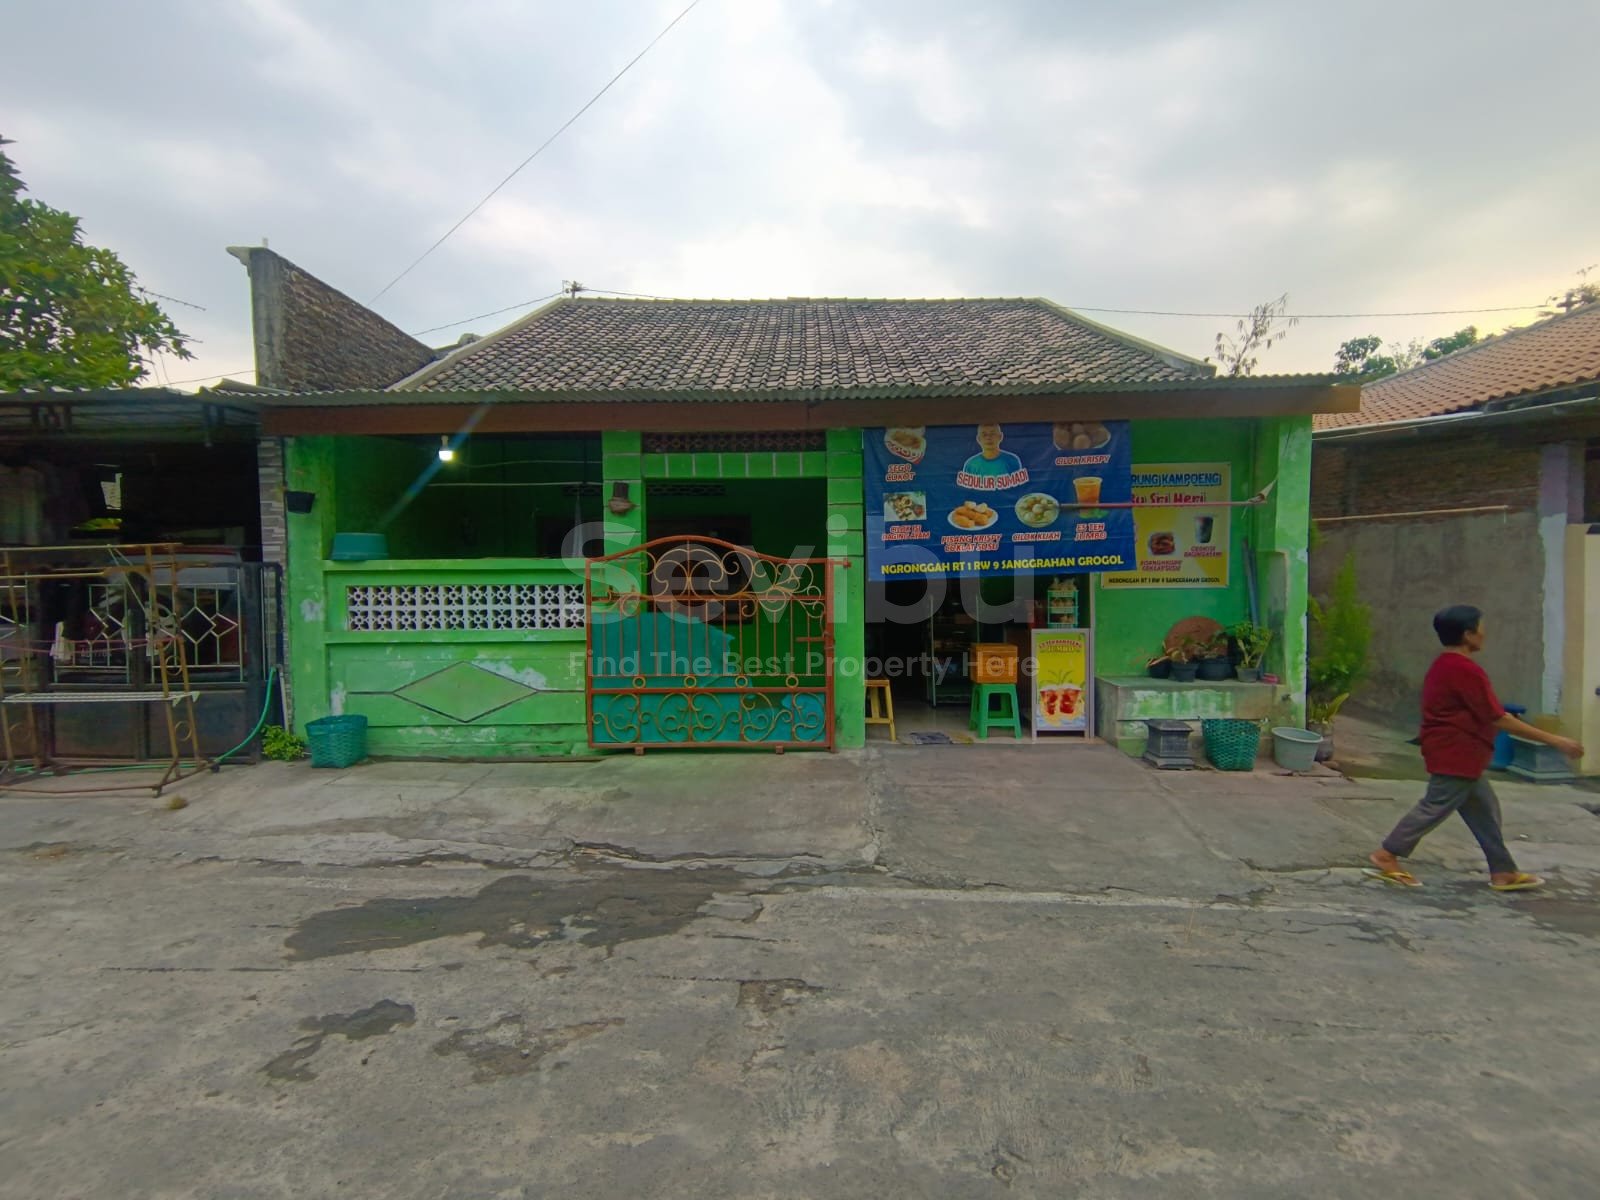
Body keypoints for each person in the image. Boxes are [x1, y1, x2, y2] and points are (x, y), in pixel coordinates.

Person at [1368, 605, 1584, 890]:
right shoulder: (1464, 669)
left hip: (1463, 754)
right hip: (1456, 753)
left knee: (1484, 811)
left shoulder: (1445, 665)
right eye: (1480, 628)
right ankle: (1387, 854)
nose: (1485, 633)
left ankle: (1503, 871)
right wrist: (1556, 740)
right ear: (1468, 634)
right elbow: (1498, 717)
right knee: (1435, 806)